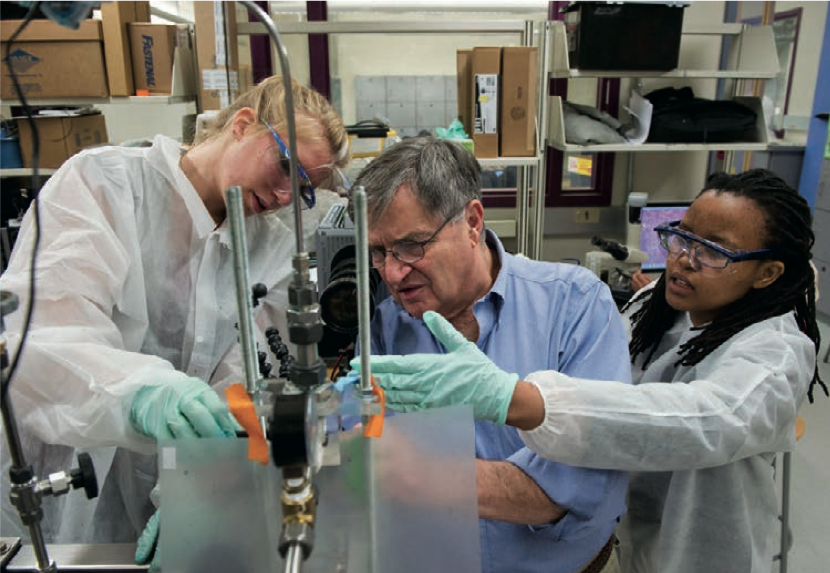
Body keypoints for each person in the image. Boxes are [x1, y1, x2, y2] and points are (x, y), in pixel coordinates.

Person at [358, 168, 827, 573]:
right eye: (682, 236)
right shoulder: (653, 307)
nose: (684, 257)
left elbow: (704, 421)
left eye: (714, 251)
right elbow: (604, 390)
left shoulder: (775, 356)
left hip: (701, 551)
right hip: (628, 536)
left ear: (767, 274)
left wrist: (515, 400)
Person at [0, 76, 349, 569]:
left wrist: (203, 494)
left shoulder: (267, 242)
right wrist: (142, 392)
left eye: (304, 191)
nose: (282, 196)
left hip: (183, 489)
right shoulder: (104, 186)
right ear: (243, 125)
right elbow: (45, 342)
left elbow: (244, 381)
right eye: (285, 168)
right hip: (68, 478)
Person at [350, 136, 631, 573]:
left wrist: (425, 478)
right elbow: (366, 460)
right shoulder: (387, 325)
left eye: (411, 245)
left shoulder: (575, 304)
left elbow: (582, 482)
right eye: (378, 252)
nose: (392, 271)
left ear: (473, 221)